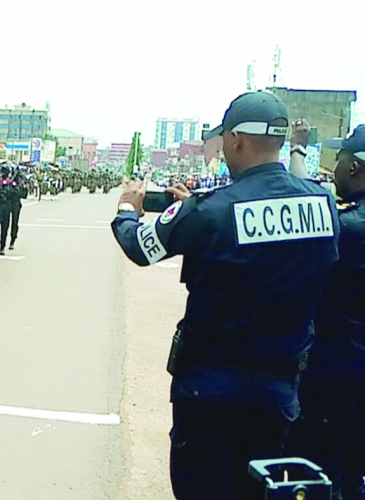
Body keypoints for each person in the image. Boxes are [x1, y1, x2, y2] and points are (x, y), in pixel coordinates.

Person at [111, 91, 340, 500]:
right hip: (279, 391)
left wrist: (128, 209)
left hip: (210, 393)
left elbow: (140, 247)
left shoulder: (212, 210)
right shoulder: (321, 203)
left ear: (236, 140)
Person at [287, 124, 365, 500]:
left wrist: (298, 153)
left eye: (340, 159)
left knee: (318, 472)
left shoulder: (348, 226)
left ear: (353, 168)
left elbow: (305, 208)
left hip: (336, 374)